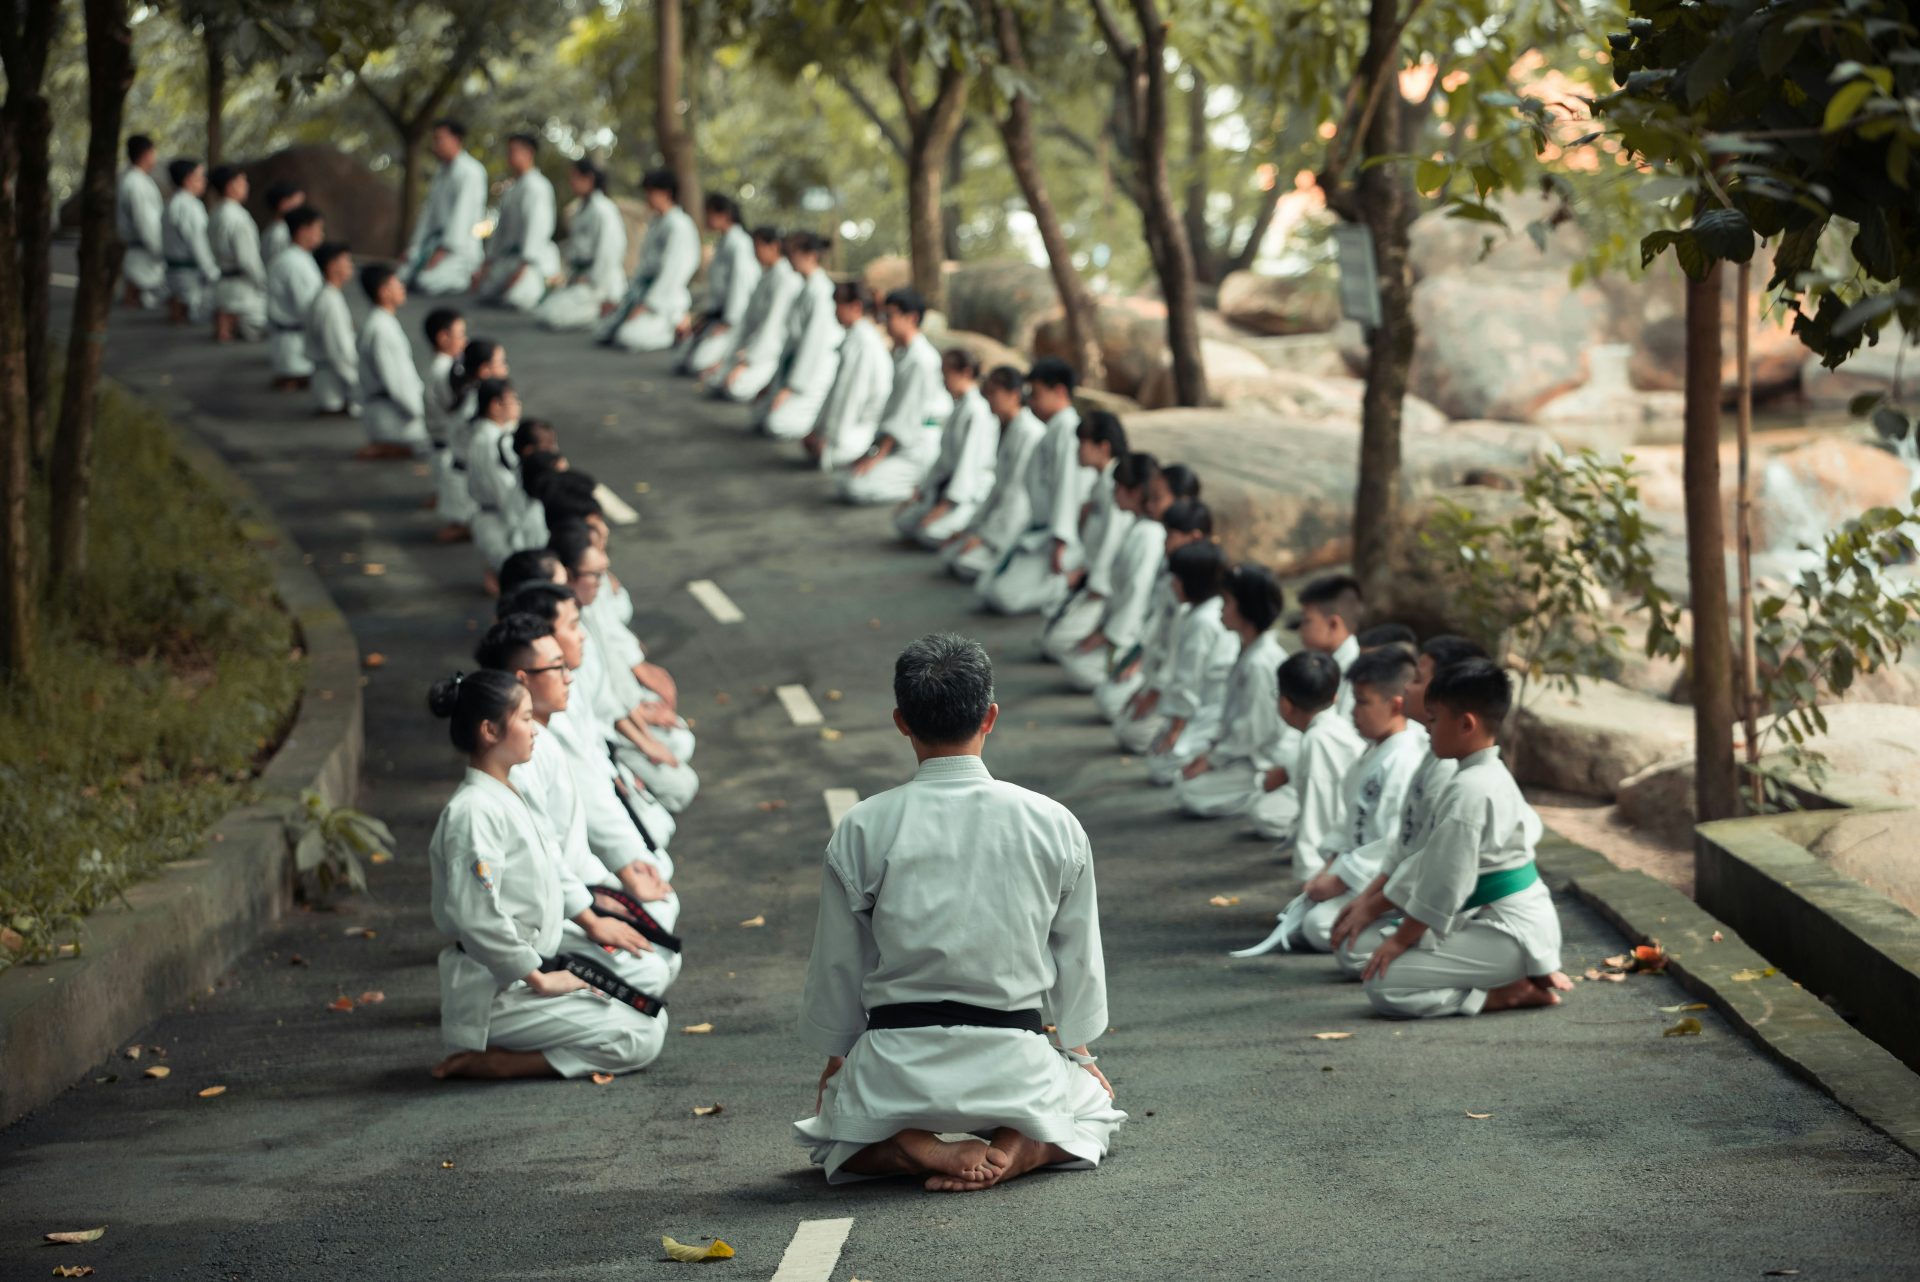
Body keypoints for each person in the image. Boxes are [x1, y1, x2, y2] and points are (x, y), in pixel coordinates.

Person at [794, 633, 1124, 1190]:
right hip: (1015, 1059)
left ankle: (910, 1147)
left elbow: (838, 964)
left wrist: (840, 1059)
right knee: (1091, 1110)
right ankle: (1021, 1147)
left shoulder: (863, 825)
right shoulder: (1053, 822)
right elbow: (1078, 954)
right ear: (990, 716)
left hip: (897, 1062)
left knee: (834, 1138)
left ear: (901, 722)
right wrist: (1076, 1048)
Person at [425, 670, 668, 1080]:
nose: (534, 728)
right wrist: (539, 980)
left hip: (524, 972)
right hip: (495, 992)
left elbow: (550, 866)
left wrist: (591, 917)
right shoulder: (472, 812)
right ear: (489, 731)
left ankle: (520, 1044)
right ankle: (502, 1061)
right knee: (641, 1037)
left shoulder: (503, 792)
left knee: (650, 1013)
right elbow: (476, 916)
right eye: (523, 718)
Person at [476, 615, 682, 1000]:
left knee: (661, 942)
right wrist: (590, 913)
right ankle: (497, 1053)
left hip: (568, 901)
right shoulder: (513, 767)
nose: (570, 675)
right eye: (557, 668)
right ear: (521, 679)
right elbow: (542, 864)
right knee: (650, 980)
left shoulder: (541, 739)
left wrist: (605, 890)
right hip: (534, 936)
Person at [1356, 659, 1572, 1017]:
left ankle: (1505, 994)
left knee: (1383, 984)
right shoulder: (1489, 774)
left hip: (1510, 935)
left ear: (1466, 724)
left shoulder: (1470, 790)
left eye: (1434, 719)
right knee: (1377, 955)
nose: (1427, 729)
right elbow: (1435, 866)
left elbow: (1445, 883)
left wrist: (1400, 940)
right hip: (1521, 926)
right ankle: (1519, 974)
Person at [1233, 647, 1429, 956]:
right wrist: (1328, 869)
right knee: (1302, 921)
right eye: (1353, 701)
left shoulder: (1403, 760)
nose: (1353, 712)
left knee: (1318, 926)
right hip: (1357, 871)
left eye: (1363, 703)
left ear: (1395, 705)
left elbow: (1392, 844)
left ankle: (1408, 931)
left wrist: (1339, 880)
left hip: (1384, 881)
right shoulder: (1376, 750)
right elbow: (1347, 820)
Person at [1326, 634, 1490, 974]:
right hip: (1409, 892)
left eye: (1418, 679)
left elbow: (1431, 863)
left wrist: (1378, 914)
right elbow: (1405, 842)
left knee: (1360, 960)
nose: (1409, 688)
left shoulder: (1452, 768)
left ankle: (1500, 988)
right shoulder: (1432, 748)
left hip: (1455, 909)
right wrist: (1365, 901)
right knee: (1342, 939)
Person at [498, 582, 683, 860]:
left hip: (600, 798)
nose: (581, 636)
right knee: (658, 877)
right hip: (575, 860)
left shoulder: (560, 689)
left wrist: (622, 775)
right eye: (573, 626)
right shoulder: (533, 739)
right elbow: (561, 838)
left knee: (660, 830)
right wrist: (625, 866)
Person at [1172, 563, 1292, 818]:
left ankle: (1276, 790)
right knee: (1182, 774)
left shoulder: (1260, 662)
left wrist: (1213, 759)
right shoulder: (1248, 651)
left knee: (1191, 792)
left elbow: (1253, 731)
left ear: (1246, 608)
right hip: (1241, 751)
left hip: (1263, 757)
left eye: (1226, 602)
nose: (1220, 611)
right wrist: (1211, 751)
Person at [976, 358, 1086, 616]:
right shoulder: (1052, 429)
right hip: (1037, 529)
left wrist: (1060, 540)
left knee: (1005, 596)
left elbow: (1067, 489)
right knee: (985, 587)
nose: (1031, 401)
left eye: (1036, 394)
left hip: (1057, 536)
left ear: (1059, 392)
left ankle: (1070, 582)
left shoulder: (1068, 431)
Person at [1093, 499, 1210, 726]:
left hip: (1181, 681)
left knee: (1130, 726)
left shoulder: (1195, 589)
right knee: (1108, 698)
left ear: (1195, 537)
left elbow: (1179, 649)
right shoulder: (1172, 574)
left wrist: (1155, 691)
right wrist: (1140, 660)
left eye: (1171, 536)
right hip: (1157, 665)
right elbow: (1157, 627)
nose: (1165, 543)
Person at [831, 290, 954, 505]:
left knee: (855, 487)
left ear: (912, 318)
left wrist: (877, 456)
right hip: (900, 443)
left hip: (918, 446)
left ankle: (921, 488)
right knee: (843, 478)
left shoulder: (921, 360)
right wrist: (871, 452)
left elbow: (905, 417)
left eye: (891, 316)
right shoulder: (902, 354)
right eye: (883, 316)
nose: (885, 322)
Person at [1142, 541, 1240, 785]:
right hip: (1202, 706)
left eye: (1178, 579)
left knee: (1163, 768)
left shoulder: (1203, 622)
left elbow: (1190, 680)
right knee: (1156, 756)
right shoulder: (1196, 613)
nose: (1173, 585)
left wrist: (1177, 729)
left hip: (1213, 707)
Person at [1036, 412, 1130, 662]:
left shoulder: (1115, 487)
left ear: (1103, 447)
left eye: (1083, 444)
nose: (1078, 450)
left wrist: (1096, 585)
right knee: (1051, 617)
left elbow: (1112, 541)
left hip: (1105, 584)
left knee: (1056, 642)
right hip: (1091, 572)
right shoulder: (1102, 482)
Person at [940, 366, 1045, 582]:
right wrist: (972, 529)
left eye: (993, 393)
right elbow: (998, 487)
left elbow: (1017, 495)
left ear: (1014, 395)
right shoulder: (1006, 427)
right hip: (998, 513)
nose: (988, 399)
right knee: (950, 554)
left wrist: (986, 537)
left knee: (964, 562)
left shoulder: (1029, 432)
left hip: (1016, 520)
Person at [891, 349, 997, 545]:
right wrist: (922, 490)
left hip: (967, 494)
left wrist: (945, 505)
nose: (943, 380)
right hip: (945, 487)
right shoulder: (958, 407)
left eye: (947, 373)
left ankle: (961, 527)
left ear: (964, 373)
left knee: (929, 532)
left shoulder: (977, 411)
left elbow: (968, 465)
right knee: (903, 521)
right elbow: (943, 458)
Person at [599, 169, 700, 352]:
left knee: (628, 338)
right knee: (604, 331)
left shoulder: (679, 225)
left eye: (651, 192)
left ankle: (676, 326)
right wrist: (627, 301)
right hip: (643, 291)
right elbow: (644, 267)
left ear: (666, 193)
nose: (647, 197)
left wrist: (647, 305)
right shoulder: (656, 222)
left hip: (665, 299)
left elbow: (673, 272)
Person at [752, 231, 840, 440]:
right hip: (794, 364)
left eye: (792, 252)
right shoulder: (805, 287)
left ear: (810, 255)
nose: (787, 257)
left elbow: (813, 345)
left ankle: (816, 421)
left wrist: (791, 387)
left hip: (814, 369)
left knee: (777, 424)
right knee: (759, 416)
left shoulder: (821, 291)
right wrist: (774, 383)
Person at [801, 281, 891, 465]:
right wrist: (817, 428)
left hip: (861, 425)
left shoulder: (864, 343)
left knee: (834, 458)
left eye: (838, 306)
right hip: (851, 421)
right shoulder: (856, 337)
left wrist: (829, 436)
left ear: (855, 306)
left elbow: (850, 396)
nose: (835, 312)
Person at [536, 160, 630, 332]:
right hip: (581, 278)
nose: (572, 182)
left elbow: (609, 252)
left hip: (601, 284)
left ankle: (606, 311)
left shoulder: (603, 210)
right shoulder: (580, 210)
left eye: (576, 177)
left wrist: (594, 280)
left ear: (589, 178)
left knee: (553, 316)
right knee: (544, 311)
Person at [707, 226, 796, 398]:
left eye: (758, 247)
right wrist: (729, 357)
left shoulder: (785, 279)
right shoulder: (766, 275)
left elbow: (772, 326)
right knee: (715, 380)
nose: (755, 253)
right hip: (751, 345)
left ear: (774, 246)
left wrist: (748, 361)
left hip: (769, 351)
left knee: (736, 388)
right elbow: (747, 320)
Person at [475, 133, 560, 312]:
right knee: (486, 292)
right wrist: (488, 262)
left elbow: (537, 230)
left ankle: (545, 285)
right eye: (509, 151)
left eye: (514, 151)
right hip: (509, 258)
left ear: (529, 153)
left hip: (532, 261)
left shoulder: (538, 186)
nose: (510, 156)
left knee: (517, 299)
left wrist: (524, 266)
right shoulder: (512, 189)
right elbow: (500, 230)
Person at [402, 119, 489, 296]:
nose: (436, 145)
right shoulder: (440, 173)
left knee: (427, 282)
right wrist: (414, 247)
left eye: (440, 139)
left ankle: (466, 276)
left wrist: (442, 251)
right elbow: (429, 214)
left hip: (459, 248)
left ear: (456, 139)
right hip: (433, 243)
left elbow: (462, 216)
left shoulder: (471, 171)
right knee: (401, 276)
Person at [676, 193, 760, 374]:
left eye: (710, 213)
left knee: (698, 363)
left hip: (734, 318)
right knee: (681, 360)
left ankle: (727, 358)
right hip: (716, 314)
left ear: (725, 215)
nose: (707, 218)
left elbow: (741, 286)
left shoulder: (740, 244)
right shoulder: (723, 243)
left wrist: (729, 321)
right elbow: (716, 288)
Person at [356, 264, 430, 460]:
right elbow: (397, 383)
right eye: (396, 284)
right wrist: (421, 412)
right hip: (393, 416)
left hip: (388, 412)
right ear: (383, 292)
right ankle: (390, 445)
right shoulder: (381, 329)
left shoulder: (381, 322)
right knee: (442, 437)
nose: (402, 288)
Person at [467, 378, 531, 588]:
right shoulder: (489, 441)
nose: (517, 404)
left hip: (494, 517)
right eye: (512, 400)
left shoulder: (492, 434)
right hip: (498, 520)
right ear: (495, 406)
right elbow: (502, 490)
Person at [423, 308, 477, 541]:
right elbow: (454, 411)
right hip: (447, 445)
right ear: (443, 337)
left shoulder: (442, 367)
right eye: (460, 334)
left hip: (442, 444)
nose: (464, 341)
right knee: (460, 513)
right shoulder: (445, 371)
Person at [264, 206, 326, 390]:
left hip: (290, 340)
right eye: (318, 229)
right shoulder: (295, 263)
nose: (321, 234)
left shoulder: (295, 258)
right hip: (294, 343)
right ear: (302, 231)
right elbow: (308, 307)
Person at [1293, 574, 1365, 716]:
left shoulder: (1356, 674)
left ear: (1333, 625)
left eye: (1307, 621)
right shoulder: (1327, 667)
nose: (1301, 629)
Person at [161, 158, 219, 326]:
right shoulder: (190, 206)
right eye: (200, 176)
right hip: (189, 274)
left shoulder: (171, 203)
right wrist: (211, 272)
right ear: (188, 179)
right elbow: (198, 243)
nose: (204, 181)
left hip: (174, 270)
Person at [306, 242, 358, 417]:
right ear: (332, 266)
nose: (351, 265)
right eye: (346, 261)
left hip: (330, 377)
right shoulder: (329, 302)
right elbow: (339, 351)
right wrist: (358, 383)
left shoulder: (330, 296)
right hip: (332, 382)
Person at [116, 135, 165, 309]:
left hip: (139, 247)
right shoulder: (136, 183)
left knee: (136, 288)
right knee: (136, 287)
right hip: (141, 246)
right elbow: (144, 220)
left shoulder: (135, 179)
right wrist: (158, 247)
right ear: (146, 154)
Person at [260, 180, 306, 262]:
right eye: (298, 205)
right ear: (283, 204)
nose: (302, 210)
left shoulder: (276, 229)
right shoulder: (278, 233)